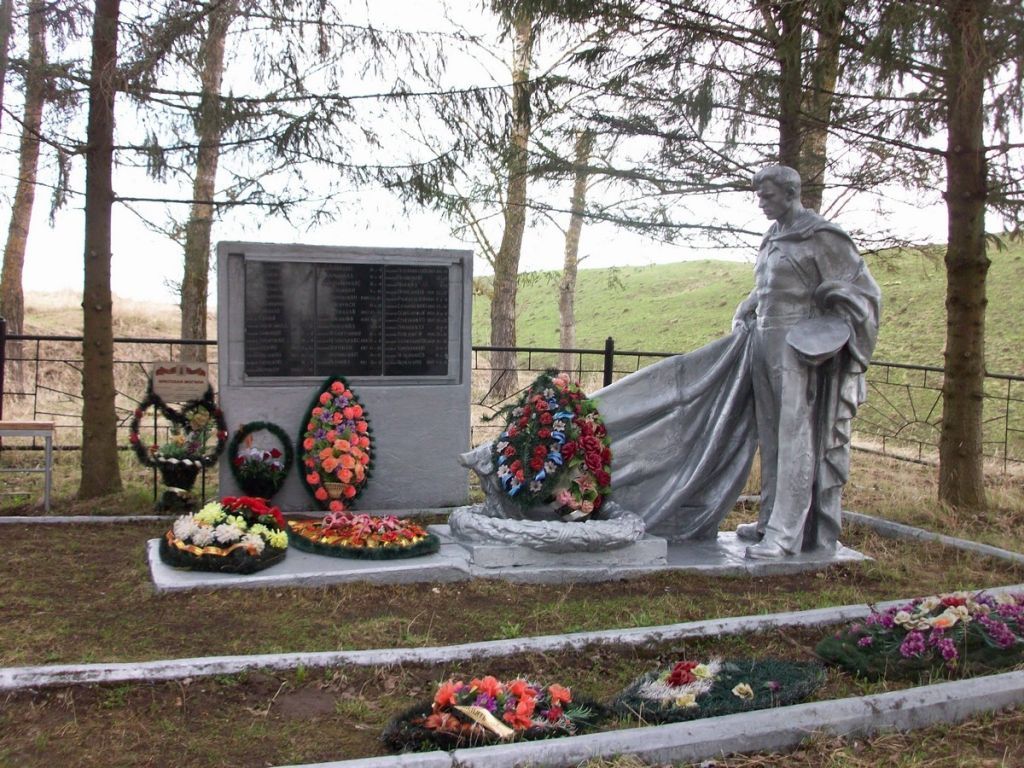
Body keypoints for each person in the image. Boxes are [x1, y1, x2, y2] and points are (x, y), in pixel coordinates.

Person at [732, 165, 881, 558]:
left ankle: (785, 534)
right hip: (763, 339)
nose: (761, 203)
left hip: (797, 345)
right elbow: (769, 286)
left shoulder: (822, 236)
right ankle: (769, 519)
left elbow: (863, 291)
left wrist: (831, 321)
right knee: (771, 435)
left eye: (767, 196)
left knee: (795, 434)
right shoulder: (772, 236)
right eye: (758, 196)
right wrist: (747, 305)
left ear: (790, 193)